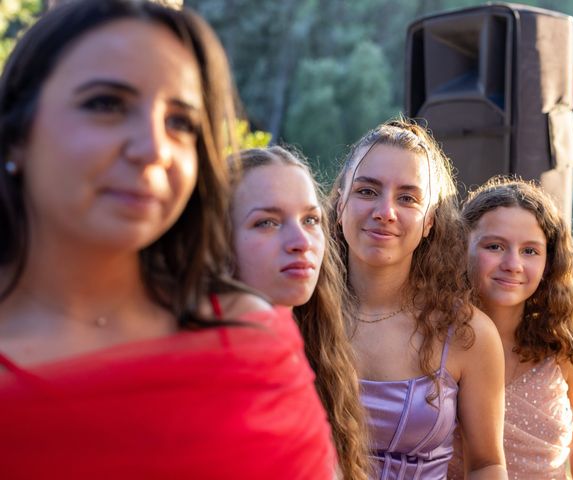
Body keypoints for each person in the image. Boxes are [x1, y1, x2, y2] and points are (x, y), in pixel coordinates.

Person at [0, 1, 335, 478]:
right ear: (17, 132)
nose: (154, 149)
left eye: (180, 122)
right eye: (107, 104)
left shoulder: (249, 340)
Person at [328, 117, 507, 479]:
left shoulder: (468, 333)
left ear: (429, 222)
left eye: (407, 198)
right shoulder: (297, 314)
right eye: (366, 191)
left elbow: (487, 464)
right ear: (339, 203)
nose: (385, 212)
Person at [448, 177, 573, 480]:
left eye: (530, 251)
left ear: (549, 262)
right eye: (495, 246)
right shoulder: (438, 336)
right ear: (461, 246)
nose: (513, 264)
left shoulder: (563, 339)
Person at [230, 145, 370, 480]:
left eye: (310, 220)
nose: (301, 241)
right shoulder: (212, 364)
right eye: (267, 222)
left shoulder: (321, 348)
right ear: (217, 240)